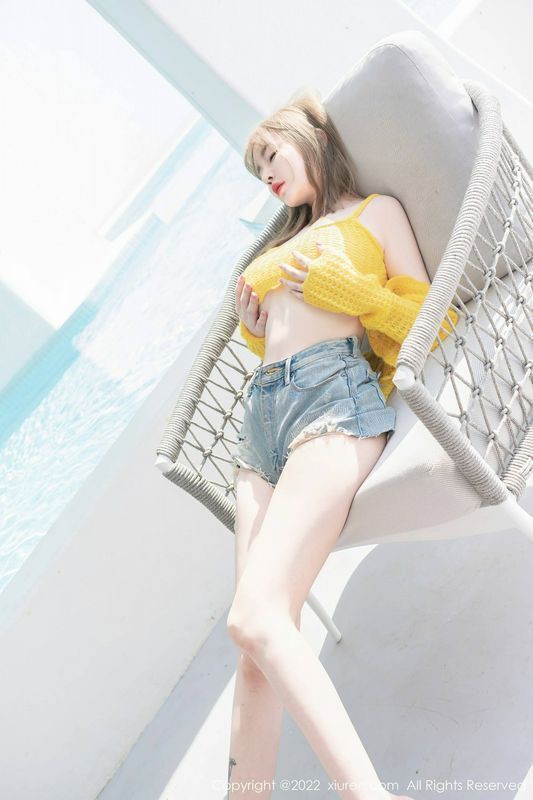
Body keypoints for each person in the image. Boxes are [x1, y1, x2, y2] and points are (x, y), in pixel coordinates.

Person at [226, 87, 450, 800]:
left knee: (253, 616)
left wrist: (350, 293)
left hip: (331, 399)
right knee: (254, 648)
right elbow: (281, 329)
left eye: (271, 154)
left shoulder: (373, 213)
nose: (265, 173)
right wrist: (254, 329)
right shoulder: (280, 241)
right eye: (256, 168)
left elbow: (430, 317)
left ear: (309, 137)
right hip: (261, 418)